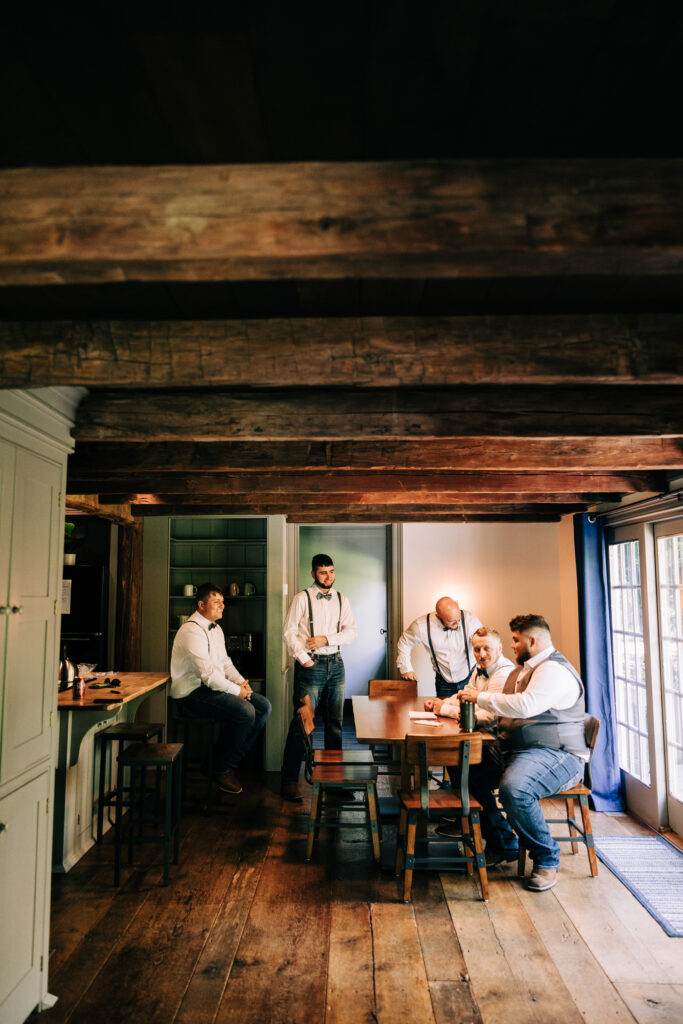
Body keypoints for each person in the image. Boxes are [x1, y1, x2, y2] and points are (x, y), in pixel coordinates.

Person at [458, 614, 589, 891]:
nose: (512, 646)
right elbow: (502, 713)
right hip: (517, 750)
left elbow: (526, 706)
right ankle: (504, 842)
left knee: (514, 790)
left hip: (556, 754)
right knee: (466, 770)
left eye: (516, 641)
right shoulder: (524, 671)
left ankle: (546, 858)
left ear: (532, 640)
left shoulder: (553, 670)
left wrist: (478, 698)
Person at [170, 582, 272, 795]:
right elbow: (208, 675)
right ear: (201, 605)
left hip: (210, 689)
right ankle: (221, 768)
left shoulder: (217, 630)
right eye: (216, 602)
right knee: (246, 711)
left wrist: (242, 682)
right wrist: (237, 692)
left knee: (264, 706)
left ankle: (221, 762)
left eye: (223, 602)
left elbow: (225, 663)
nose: (222, 606)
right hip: (191, 695)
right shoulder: (191, 630)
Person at [425, 626, 516, 853]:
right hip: (487, 743)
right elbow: (465, 695)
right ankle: (465, 817)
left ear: (500, 648)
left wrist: (443, 709)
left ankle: (503, 842)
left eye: (487, 649)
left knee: (469, 778)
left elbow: (490, 717)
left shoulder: (503, 673)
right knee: (456, 763)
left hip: (504, 749)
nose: (481, 654)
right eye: (477, 649)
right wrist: (442, 700)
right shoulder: (480, 669)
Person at [280, 553, 357, 802]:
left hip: (336, 664)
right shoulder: (302, 598)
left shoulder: (342, 599)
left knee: (335, 724)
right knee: (304, 722)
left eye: (332, 571)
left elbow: (351, 632)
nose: (329, 577)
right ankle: (290, 781)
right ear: (313, 574)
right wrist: (304, 658)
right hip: (310, 665)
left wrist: (327, 639)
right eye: (323, 572)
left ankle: (334, 781)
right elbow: (289, 632)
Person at [397, 596, 482, 699]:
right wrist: (406, 668)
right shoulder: (422, 625)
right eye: (452, 621)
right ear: (438, 616)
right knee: (443, 712)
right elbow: (404, 642)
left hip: (470, 678)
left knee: (471, 713)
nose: (458, 623)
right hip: (443, 683)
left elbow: (483, 641)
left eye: (458, 618)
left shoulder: (470, 620)